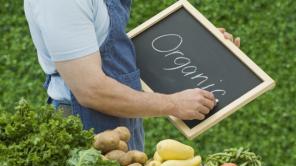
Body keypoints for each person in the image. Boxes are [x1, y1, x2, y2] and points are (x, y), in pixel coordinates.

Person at [24, 0, 240, 151]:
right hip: (83, 127)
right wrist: (173, 103)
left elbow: (113, 56)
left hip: (123, 122)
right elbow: (90, 90)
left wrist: (205, 47)